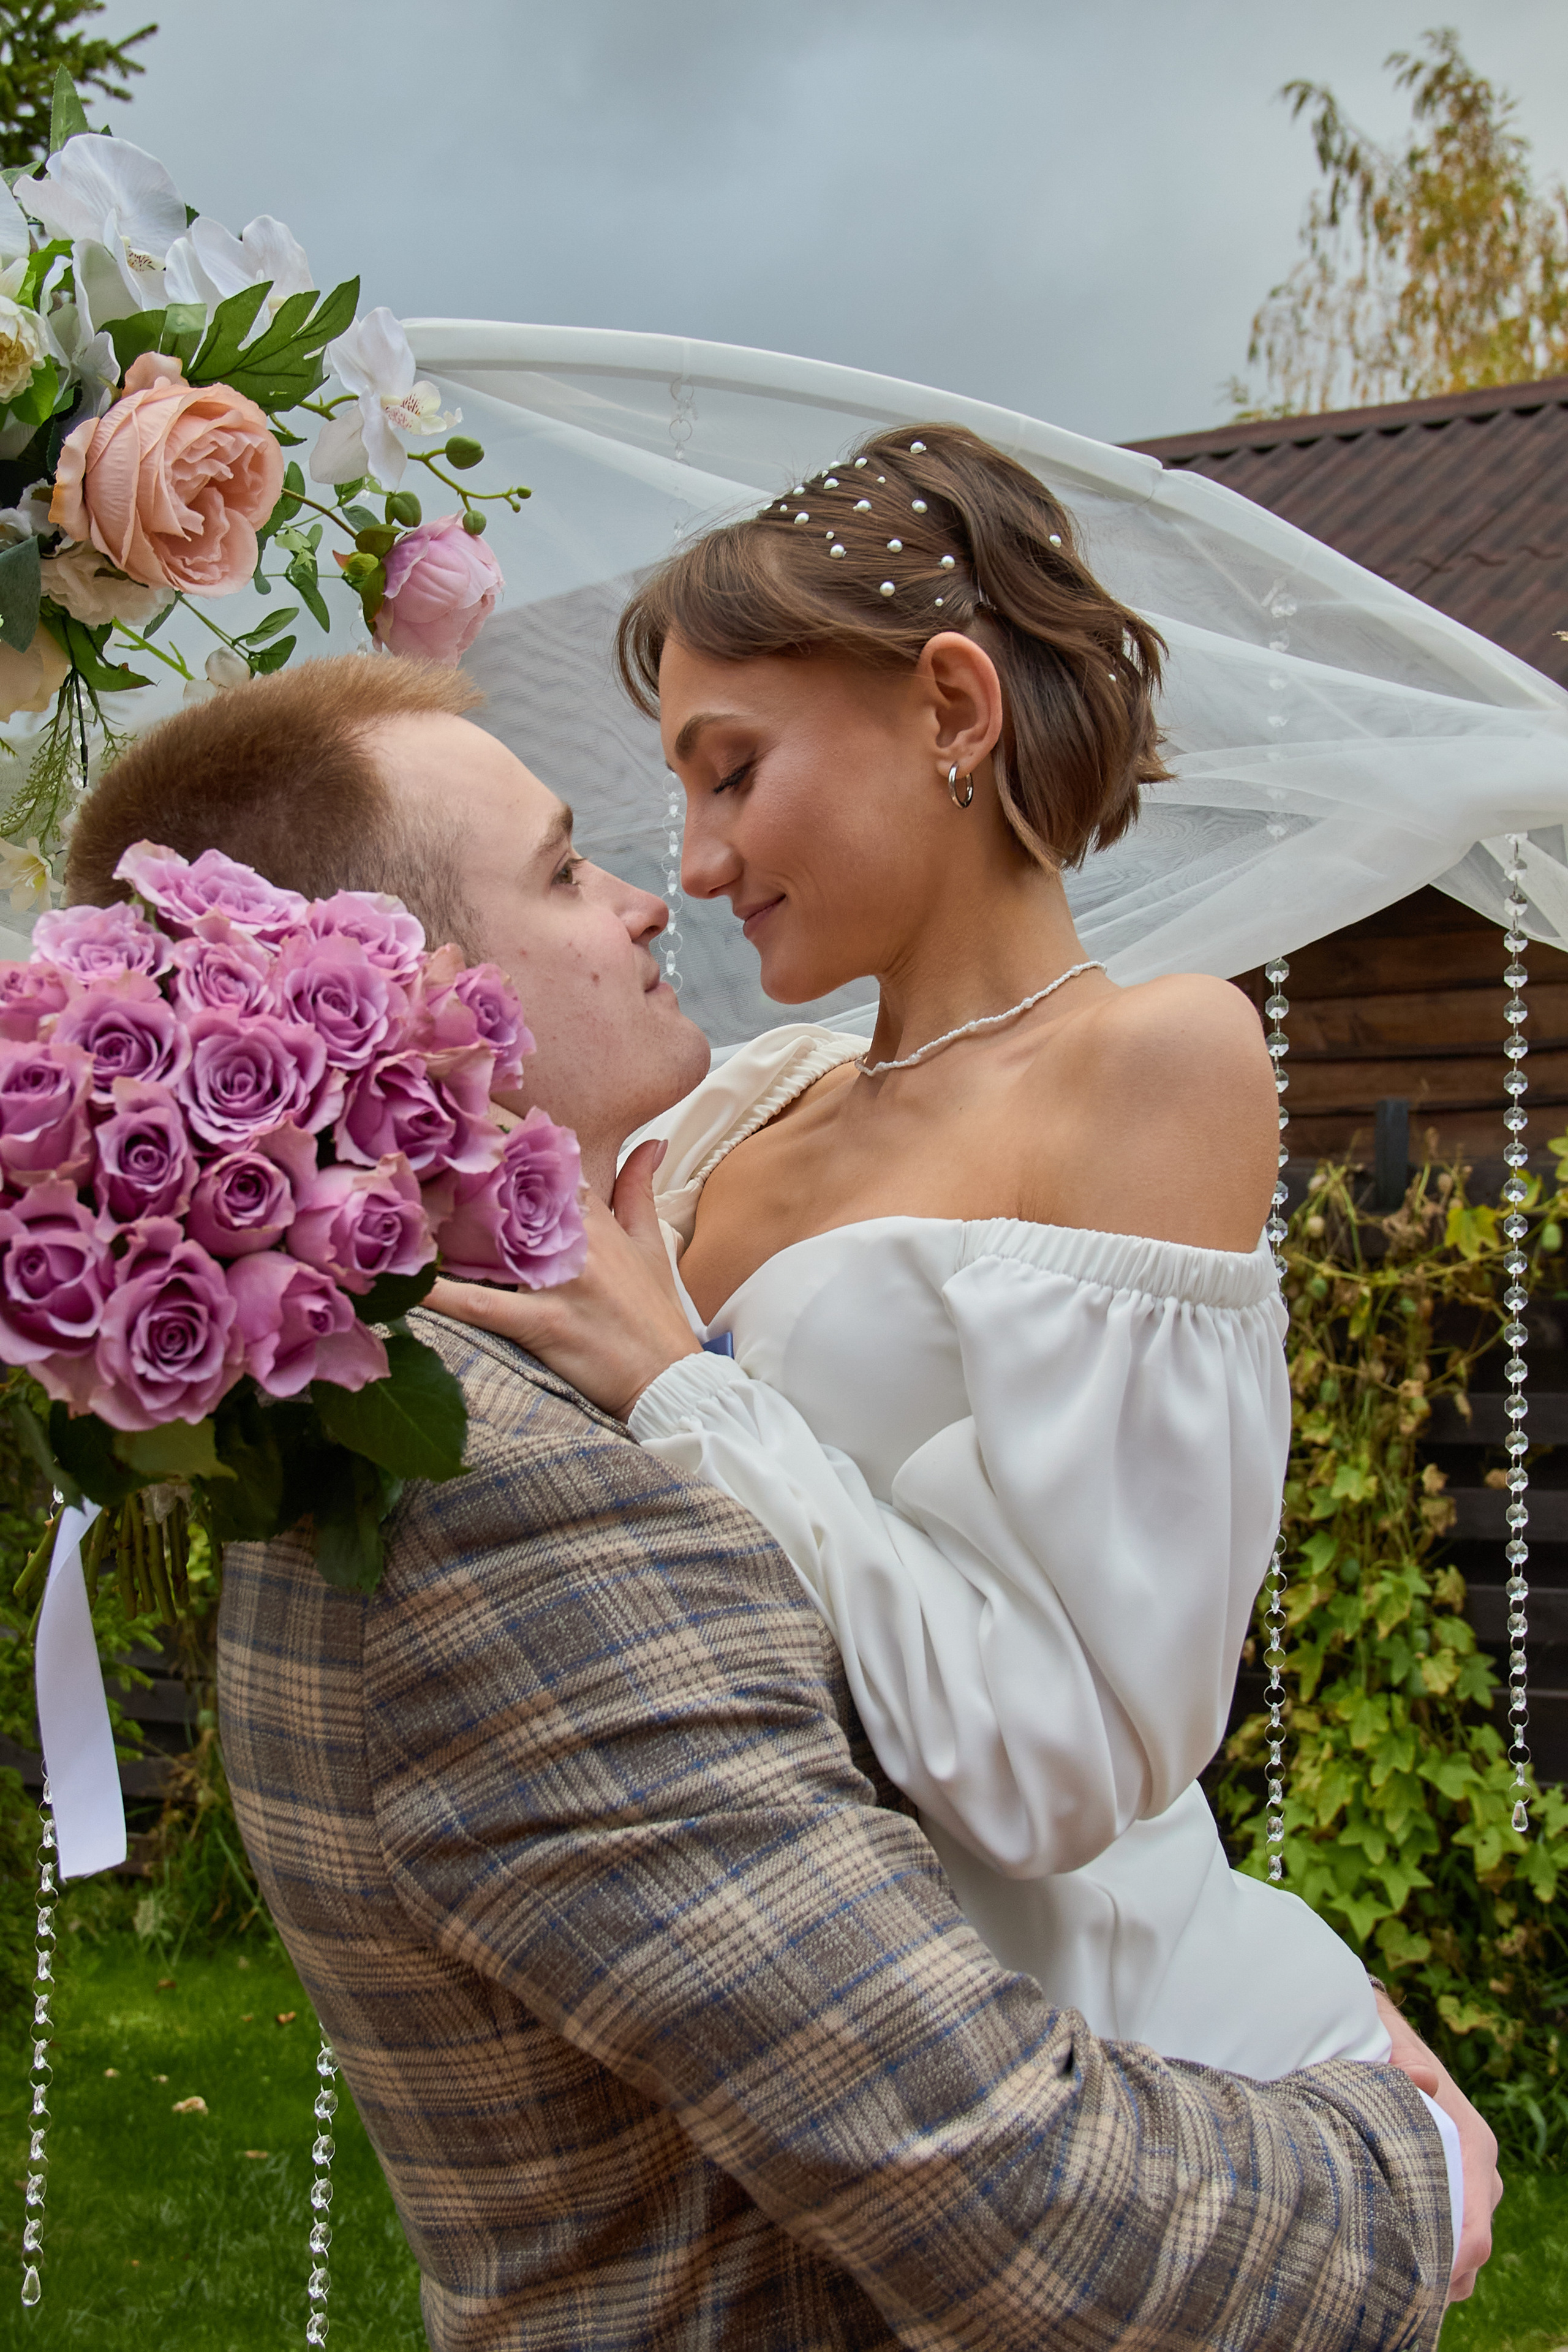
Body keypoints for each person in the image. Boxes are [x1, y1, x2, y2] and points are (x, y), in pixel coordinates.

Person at [65, 654, 1487, 2347]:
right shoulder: (507, 1523)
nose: (658, 894)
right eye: (568, 867)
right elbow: (1011, 2194)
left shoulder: (458, 1417)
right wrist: (1407, 2169)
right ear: (388, 1008)